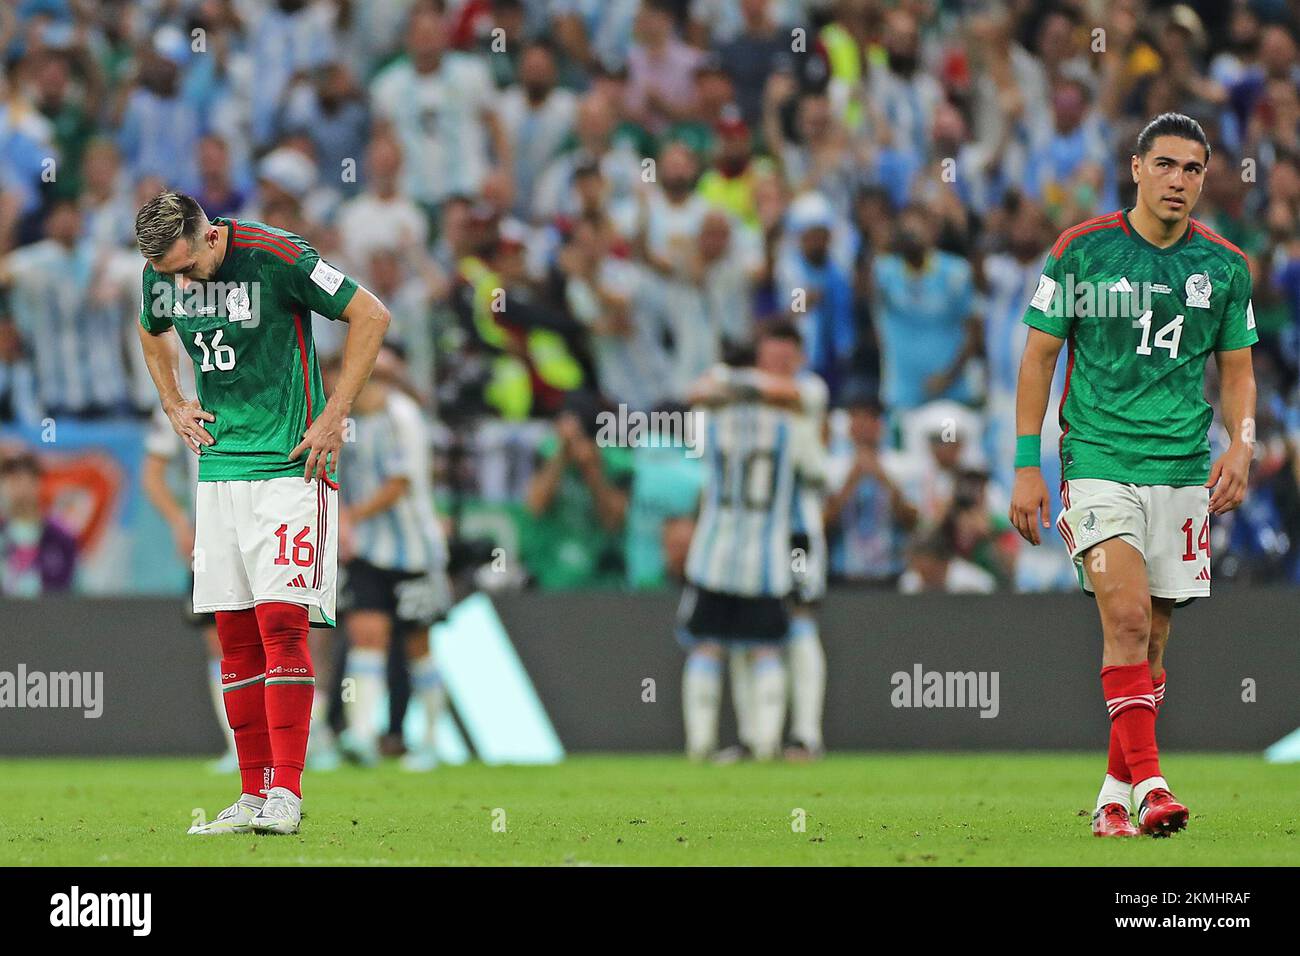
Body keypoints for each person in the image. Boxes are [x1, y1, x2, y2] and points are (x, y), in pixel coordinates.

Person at [1009, 114, 1257, 838]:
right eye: (1167, 165)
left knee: (1148, 639)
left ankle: (1114, 793)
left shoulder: (1225, 267)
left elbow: (1238, 374)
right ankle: (1153, 786)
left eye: (1193, 170)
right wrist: (1029, 466)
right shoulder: (1080, 252)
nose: (1179, 180)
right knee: (1122, 617)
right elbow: (1038, 359)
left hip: (1180, 468)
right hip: (1098, 459)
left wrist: (1240, 447)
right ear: (1137, 168)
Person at [134, 191, 390, 835]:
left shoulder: (278, 255)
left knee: (282, 623)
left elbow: (371, 314)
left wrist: (336, 412)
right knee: (234, 636)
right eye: (167, 274)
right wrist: (171, 401)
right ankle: (250, 795)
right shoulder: (162, 270)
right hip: (219, 470)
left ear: (210, 238)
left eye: (186, 268)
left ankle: (286, 794)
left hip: (289, 465)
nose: (177, 283)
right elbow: (150, 326)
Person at [678, 333, 826, 761]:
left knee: (797, 624)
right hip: (764, 540)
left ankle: (804, 735)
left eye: (785, 356)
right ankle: (754, 738)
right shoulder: (785, 414)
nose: (778, 365)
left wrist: (728, 385)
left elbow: (700, 395)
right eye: (770, 356)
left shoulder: (806, 390)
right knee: (752, 637)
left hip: (794, 534)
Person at [336, 352, 451, 772]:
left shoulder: (403, 417)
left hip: (413, 549)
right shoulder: (346, 418)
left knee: (418, 645)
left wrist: (351, 516)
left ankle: (433, 740)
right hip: (366, 550)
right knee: (366, 634)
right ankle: (362, 735)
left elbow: (401, 483)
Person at [139, 358, 238, 773]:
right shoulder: (181, 408)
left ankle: (303, 738)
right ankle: (240, 746)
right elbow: (152, 475)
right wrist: (181, 522)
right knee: (218, 638)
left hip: (259, 523)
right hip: (209, 534)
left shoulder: (249, 390)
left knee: (275, 626)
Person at [0, 450, 77, 596]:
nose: (22, 490)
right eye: (15, 481)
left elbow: (76, 591)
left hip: (47, 617)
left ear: (39, 484)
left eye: (29, 481)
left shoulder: (62, 538)